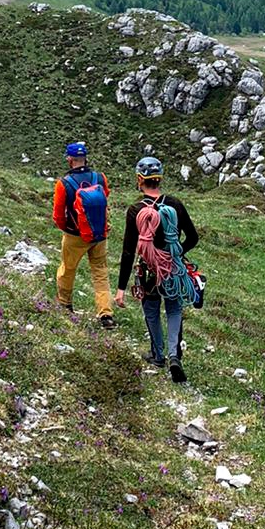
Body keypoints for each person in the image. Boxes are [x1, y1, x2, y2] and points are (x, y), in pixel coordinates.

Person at [115, 156, 199, 382]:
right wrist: (176, 253)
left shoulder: (135, 210)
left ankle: (157, 354)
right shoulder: (175, 205)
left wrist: (121, 288)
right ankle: (175, 356)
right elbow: (193, 237)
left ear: (140, 180)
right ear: (159, 178)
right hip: (173, 269)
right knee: (174, 310)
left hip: (149, 271)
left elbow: (128, 251)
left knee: (151, 311)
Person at [52, 140, 114, 326]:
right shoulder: (100, 177)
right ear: (85, 158)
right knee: (100, 273)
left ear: (70, 160)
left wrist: (67, 229)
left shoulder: (64, 184)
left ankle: (65, 304)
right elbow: (105, 197)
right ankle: (106, 314)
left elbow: (58, 215)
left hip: (75, 236)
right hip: (99, 235)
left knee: (68, 269)